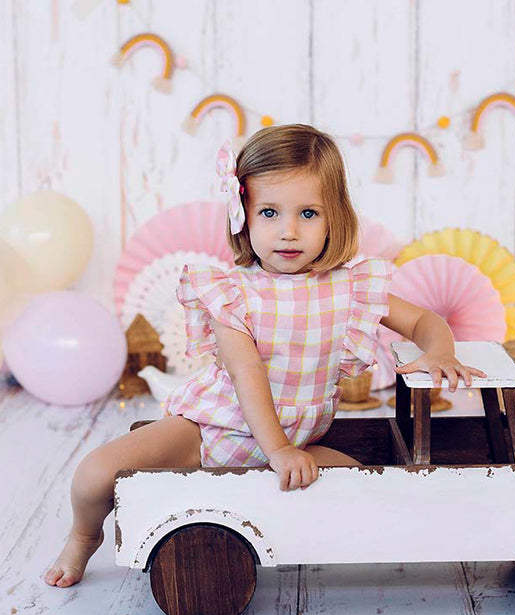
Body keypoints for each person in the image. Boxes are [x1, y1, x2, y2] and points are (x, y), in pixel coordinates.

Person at [44, 124, 485, 587]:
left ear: (335, 217)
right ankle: (83, 535)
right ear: (244, 216)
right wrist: (277, 450)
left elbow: (423, 321)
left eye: (308, 213)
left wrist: (440, 351)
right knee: (95, 473)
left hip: (297, 440)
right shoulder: (233, 293)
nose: (288, 232)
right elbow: (245, 371)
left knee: (370, 486)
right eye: (269, 212)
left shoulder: (350, 288)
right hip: (212, 430)